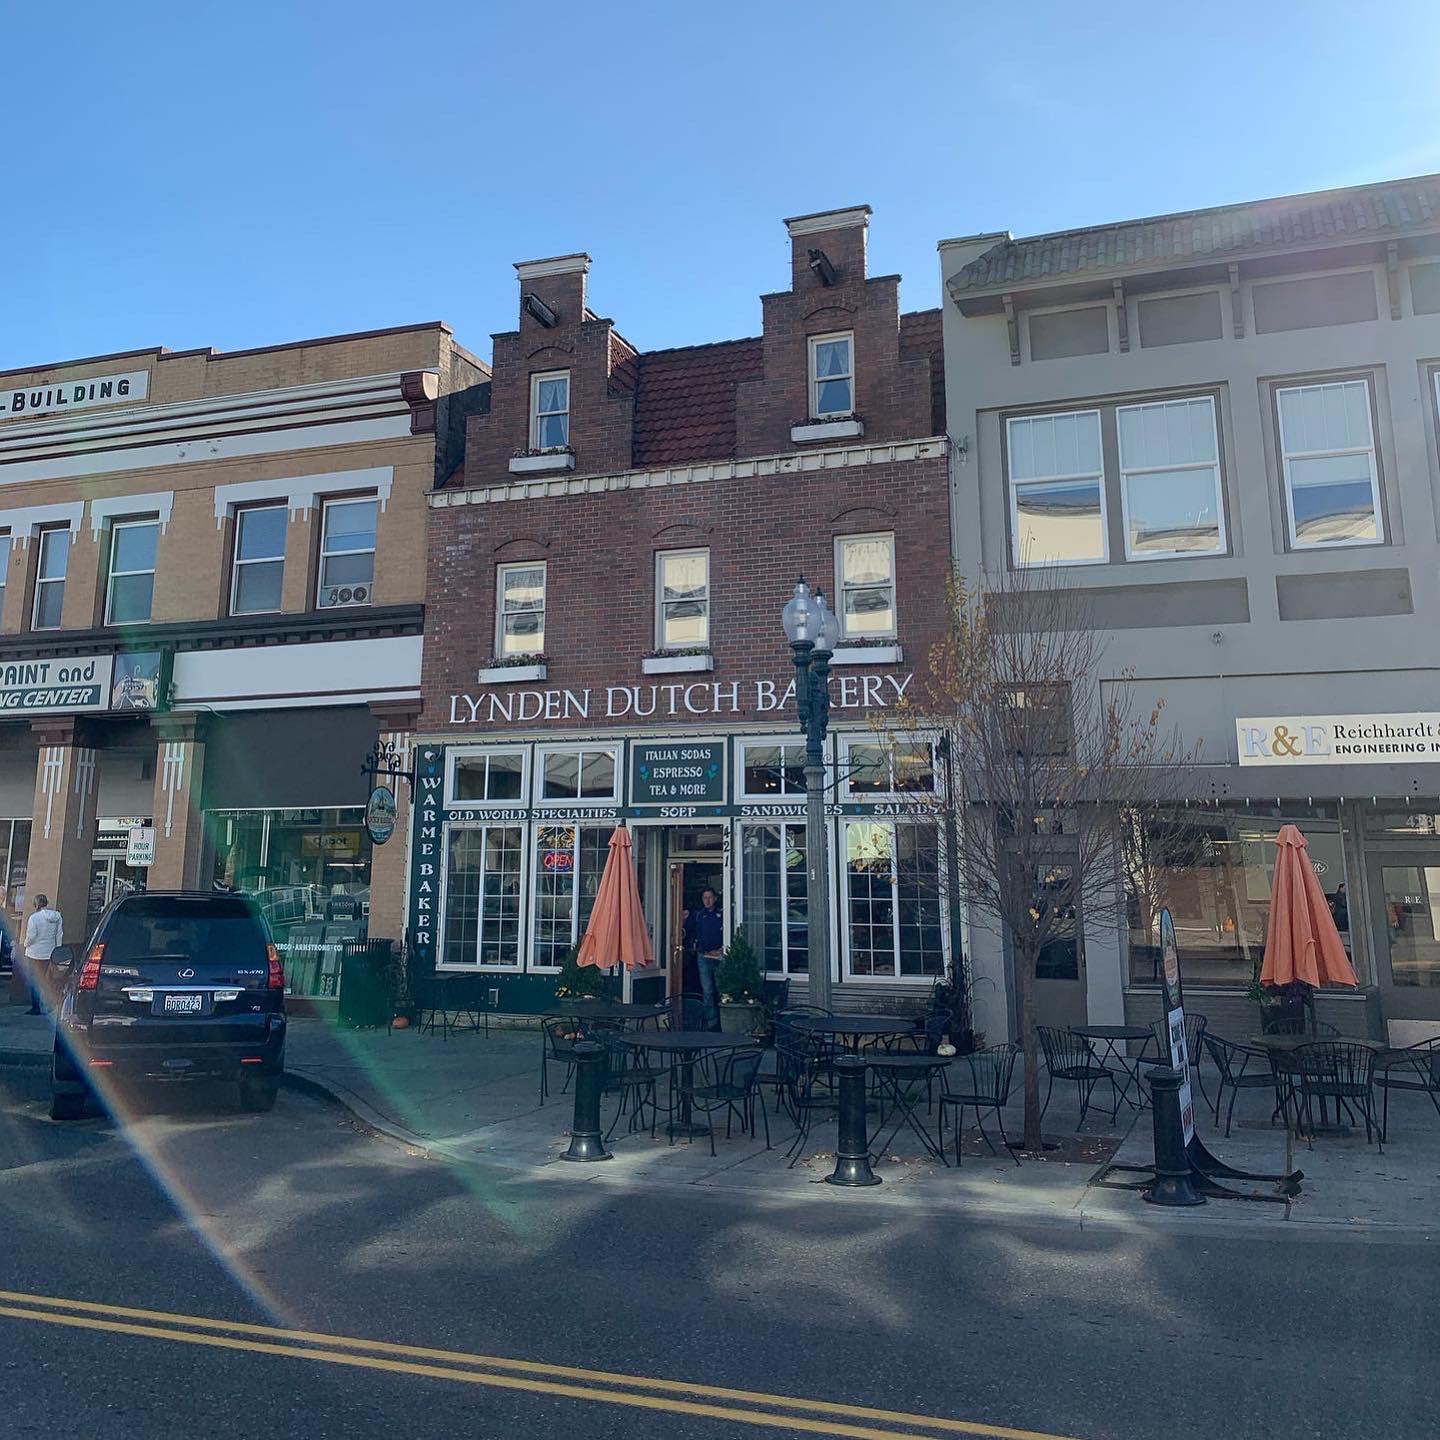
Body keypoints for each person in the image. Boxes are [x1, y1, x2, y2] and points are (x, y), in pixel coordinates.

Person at [684, 887, 725, 1031]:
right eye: (704, 898)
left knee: (722, 989)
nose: (707, 901)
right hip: (703, 956)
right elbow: (686, 931)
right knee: (707, 990)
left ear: (715, 898)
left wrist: (722, 949)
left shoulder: (723, 914)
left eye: (709, 897)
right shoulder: (698, 915)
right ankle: (711, 1023)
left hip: (720, 956)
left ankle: (723, 1022)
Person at [23, 893, 64, 1016]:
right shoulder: (57, 917)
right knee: (49, 980)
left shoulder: (34, 918)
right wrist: (57, 950)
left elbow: (31, 936)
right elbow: (59, 935)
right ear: (46, 903)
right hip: (50, 953)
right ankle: (51, 1003)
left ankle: (36, 1007)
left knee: (35, 980)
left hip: (34, 953)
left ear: (36, 904)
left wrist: (25, 944)